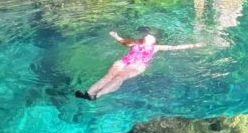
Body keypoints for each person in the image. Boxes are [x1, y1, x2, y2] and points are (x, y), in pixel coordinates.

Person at [74, 30, 204, 100]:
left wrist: (194, 45)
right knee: (108, 77)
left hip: (137, 66)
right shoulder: (136, 42)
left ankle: (97, 95)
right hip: (124, 62)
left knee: (119, 78)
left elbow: (174, 47)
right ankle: (88, 93)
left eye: (150, 36)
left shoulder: (156, 47)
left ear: (154, 41)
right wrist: (116, 36)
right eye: (147, 35)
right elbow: (123, 42)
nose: (148, 36)